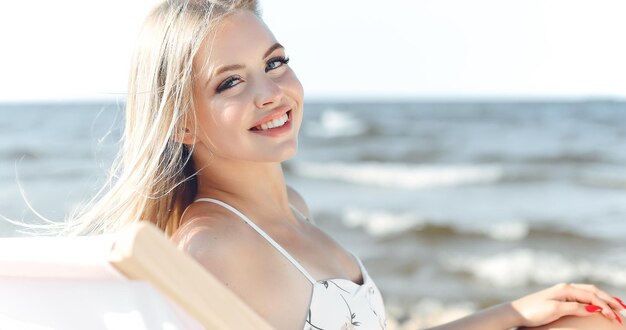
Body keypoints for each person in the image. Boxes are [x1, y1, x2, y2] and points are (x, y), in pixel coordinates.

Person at [48, 0, 625, 329]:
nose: (271, 92)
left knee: (584, 319)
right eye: (230, 82)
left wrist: (512, 310)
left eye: (275, 63)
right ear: (181, 122)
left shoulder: (289, 209)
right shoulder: (216, 247)